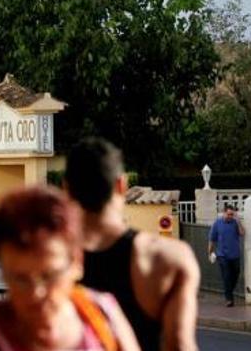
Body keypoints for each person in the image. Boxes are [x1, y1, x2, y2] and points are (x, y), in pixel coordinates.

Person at [0, 187, 141, 351]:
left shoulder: (101, 315)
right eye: (20, 279)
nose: (36, 293)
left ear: (77, 262)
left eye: (49, 276)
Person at [64, 138, 200, 351]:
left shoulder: (49, 259)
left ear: (67, 189)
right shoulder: (166, 257)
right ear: (122, 185)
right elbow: (180, 344)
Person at [208, 205, 244, 307]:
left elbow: (242, 233)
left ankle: (229, 292)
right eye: (228, 214)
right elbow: (211, 239)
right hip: (222, 255)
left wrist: (238, 221)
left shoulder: (235, 222)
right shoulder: (217, 223)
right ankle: (229, 299)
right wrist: (209, 252)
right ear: (224, 213)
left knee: (236, 274)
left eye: (232, 214)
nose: (230, 216)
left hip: (235, 254)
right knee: (227, 276)